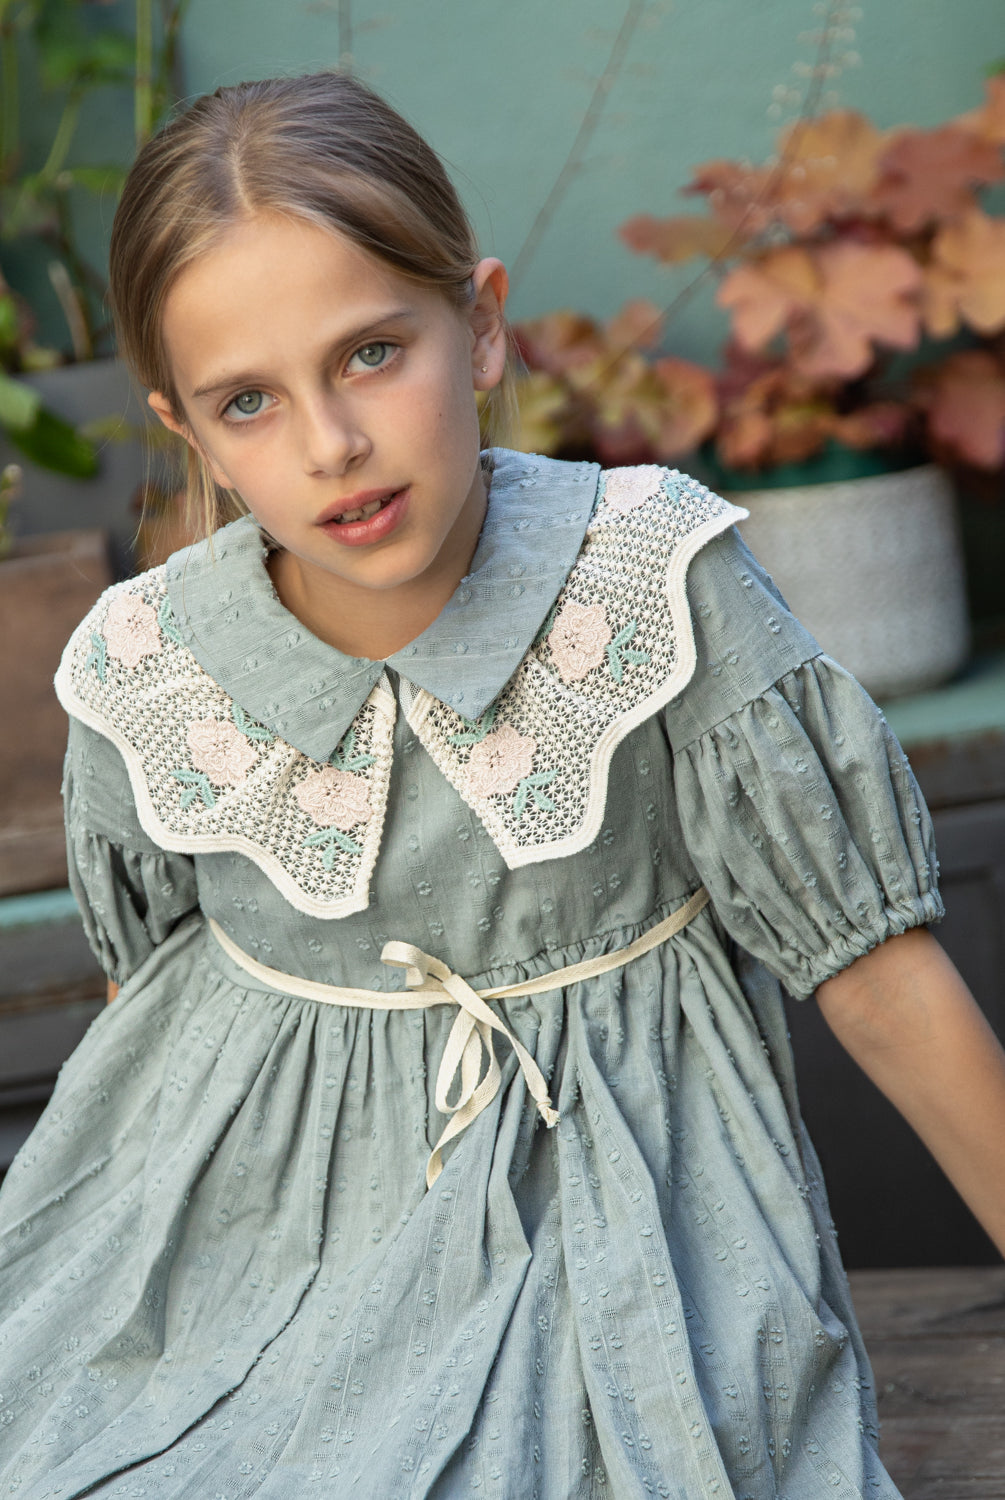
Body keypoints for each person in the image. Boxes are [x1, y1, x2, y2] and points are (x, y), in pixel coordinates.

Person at [0, 70, 1003, 1500]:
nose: (330, 444)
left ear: (478, 326)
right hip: (257, 1263)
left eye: (369, 354)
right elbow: (142, 1017)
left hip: (610, 1236)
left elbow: (880, 979)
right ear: (189, 430)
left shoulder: (649, 583)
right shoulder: (144, 665)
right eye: (248, 401)